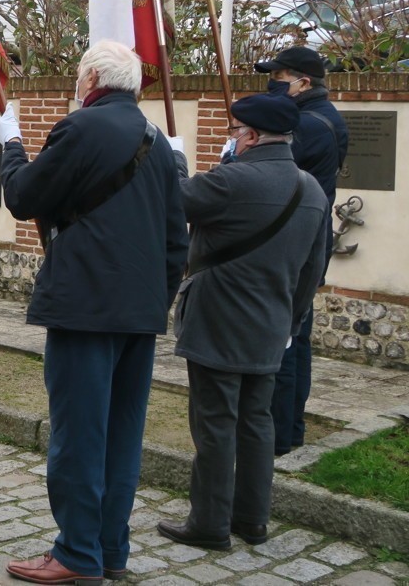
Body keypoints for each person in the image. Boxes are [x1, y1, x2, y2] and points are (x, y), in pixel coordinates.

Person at [0, 40, 189, 585]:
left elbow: (25, 195)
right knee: (122, 437)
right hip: (140, 313)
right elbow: (178, 239)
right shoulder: (158, 141)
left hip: (85, 308)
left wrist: (11, 143)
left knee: (80, 436)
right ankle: (110, 549)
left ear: (89, 79)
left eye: (78, 78)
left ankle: (77, 555)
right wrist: (156, 298)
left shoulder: (80, 128)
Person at [159, 93, 328, 549]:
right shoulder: (311, 189)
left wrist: (176, 156)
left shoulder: (231, 180)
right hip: (273, 322)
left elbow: (172, 200)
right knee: (256, 421)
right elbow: (314, 269)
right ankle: (252, 519)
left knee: (215, 423)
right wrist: (290, 323)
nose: (231, 139)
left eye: (235, 132)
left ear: (250, 137)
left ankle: (209, 524)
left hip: (217, 319)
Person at [253, 46, 348, 456]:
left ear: (303, 82)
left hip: (294, 244)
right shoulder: (324, 116)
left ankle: (276, 433)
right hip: (307, 239)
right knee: (297, 337)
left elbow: (269, 171)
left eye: (279, 77)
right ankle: (290, 429)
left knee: (285, 340)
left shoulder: (308, 124)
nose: (273, 84)